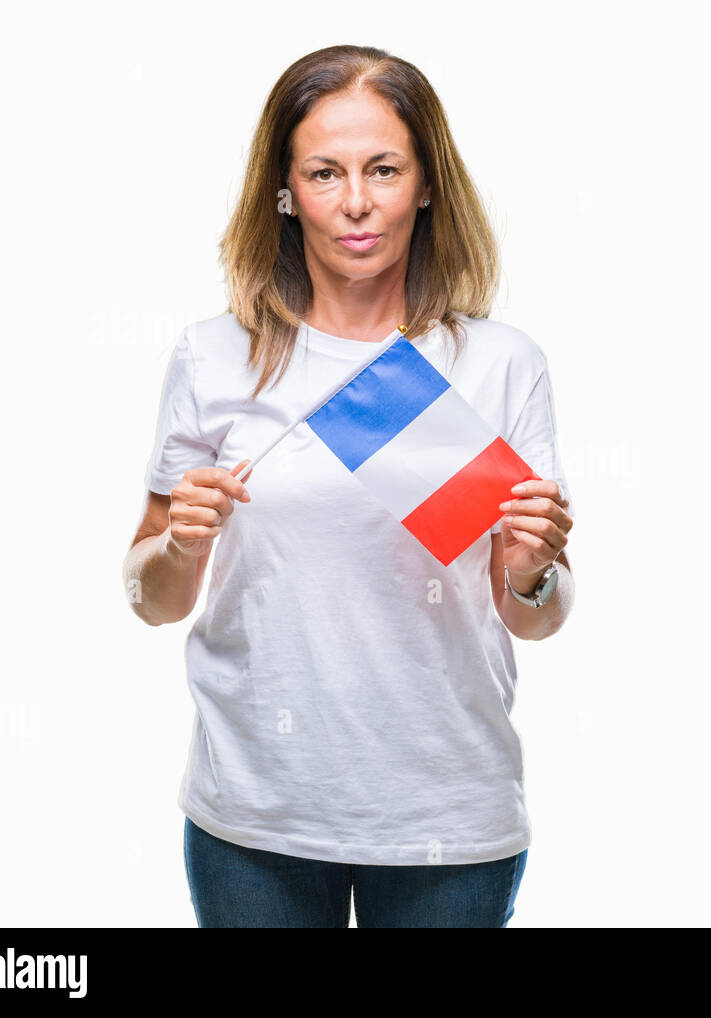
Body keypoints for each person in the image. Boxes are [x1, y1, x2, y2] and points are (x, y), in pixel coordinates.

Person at [122, 45, 575, 928]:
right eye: (325, 173)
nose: (357, 202)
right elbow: (151, 601)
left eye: (384, 169)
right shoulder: (213, 356)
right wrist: (181, 544)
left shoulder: (501, 364)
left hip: (449, 820)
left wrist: (531, 570)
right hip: (255, 814)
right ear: (285, 191)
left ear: (427, 183)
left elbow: (538, 615)